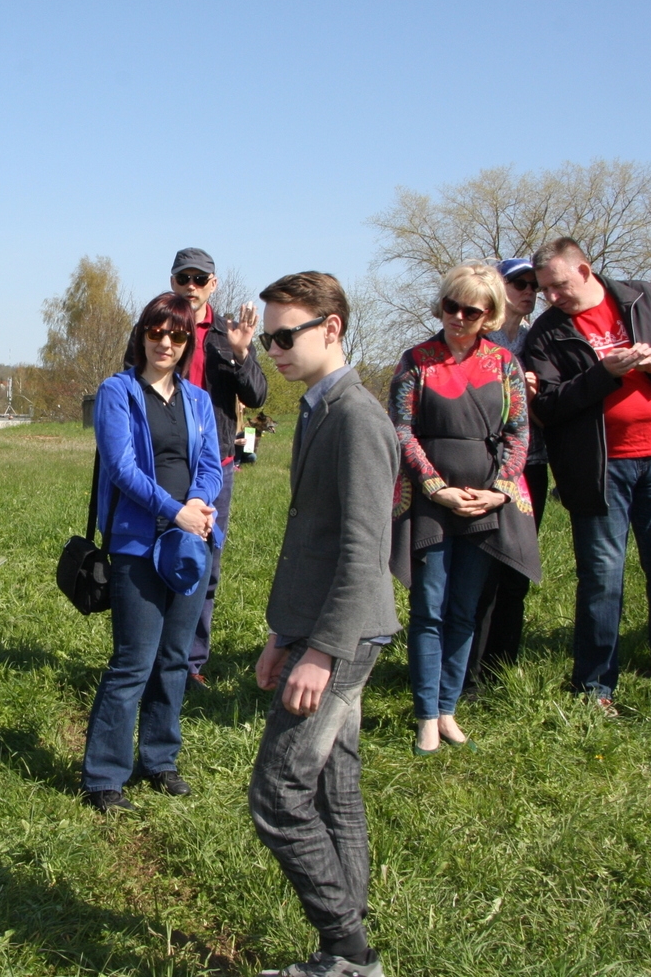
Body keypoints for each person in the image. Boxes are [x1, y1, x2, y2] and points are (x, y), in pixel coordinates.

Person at [248, 272, 399, 977]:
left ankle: (348, 948)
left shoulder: (358, 418)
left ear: (331, 328)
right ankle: (348, 950)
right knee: (335, 780)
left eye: (286, 335)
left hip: (343, 635)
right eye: (268, 336)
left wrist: (322, 653)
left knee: (278, 794)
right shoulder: (318, 407)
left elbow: (366, 552)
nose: (272, 349)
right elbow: (311, 534)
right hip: (316, 628)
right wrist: (284, 634)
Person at [521, 237, 651, 715]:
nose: (551, 297)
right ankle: (594, 689)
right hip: (598, 471)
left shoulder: (645, 299)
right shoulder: (547, 333)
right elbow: (547, 406)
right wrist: (604, 373)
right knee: (602, 578)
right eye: (544, 290)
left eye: (558, 286)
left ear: (584, 271)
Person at [388, 263, 540, 755]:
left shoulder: (505, 364)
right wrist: (433, 485)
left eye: (469, 310)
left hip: (485, 504)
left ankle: (449, 709)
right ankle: (426, 715)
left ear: (489, 314)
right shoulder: (416, 361)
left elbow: (519, 432)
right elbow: (401, 429)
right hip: (433, 504)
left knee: (465, 610)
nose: (457, 316)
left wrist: (499, 489)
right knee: (429, 608)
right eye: (450, 306)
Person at [82, 293, 223, 813]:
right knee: (133, 661)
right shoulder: (117, 392)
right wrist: (173, 510)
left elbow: (210, 463)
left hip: (190, 543)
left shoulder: (198, 400)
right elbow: (121, 467)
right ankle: (103, 776)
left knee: (175, 659)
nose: (166, 343)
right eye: (157, 332)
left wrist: (198, 503)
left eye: (178, 335)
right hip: (138, 543)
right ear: (141, 335)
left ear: (188, 342)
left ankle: (160, 760)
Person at [168, 248, 268, 688]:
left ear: (213, 284)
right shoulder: (158, 326)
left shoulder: (228, 334)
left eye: (199, 279)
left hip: (216, 467)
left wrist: (243, 353)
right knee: (156, 558)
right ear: (172, 282)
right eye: (182, 277)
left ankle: (190, 664)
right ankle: (153, 654)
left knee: (204, 565)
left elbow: (259, 394)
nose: (190, 286)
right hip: (163, 466)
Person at [466, 257, 550, 691]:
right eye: (519, 282)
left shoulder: (541, 339)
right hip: (485, 469)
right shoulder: (479, 338)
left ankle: (502, 669)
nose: (529, 291)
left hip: (531, 468)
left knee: (517, 571)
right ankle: (469, 671)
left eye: (534, 284)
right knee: (482, 576)